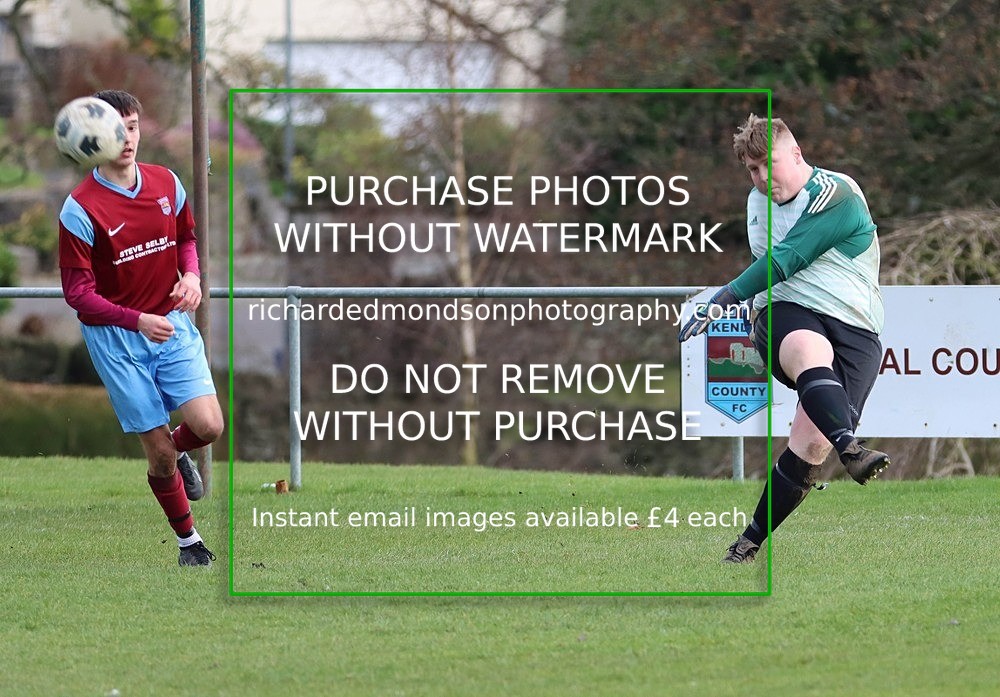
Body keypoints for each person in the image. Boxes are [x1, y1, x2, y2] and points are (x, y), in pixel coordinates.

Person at [678, 114, 890, 564]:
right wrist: (739, 299)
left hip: (856, 327)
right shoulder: (757, 202)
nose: (760, 178)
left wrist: (725, 295)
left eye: (768, 164)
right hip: (785, 313)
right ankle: (851, 448)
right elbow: (778, 270)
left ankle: (747, 544)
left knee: (810, 445)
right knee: (806, 348)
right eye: (751, 170)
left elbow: (789, 257)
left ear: (796, 154)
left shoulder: (838, 195)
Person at [58, 90, 223, 567]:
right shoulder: (80, 209)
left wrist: (191, 276)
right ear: (92, 137)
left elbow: (186, 238)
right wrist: (135, 320)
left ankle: (178, 452)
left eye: (131, 126)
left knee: (209, 426)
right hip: (118, 341)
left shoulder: (167, 183)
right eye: (115, 128)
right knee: (160, 456)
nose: (126, 138)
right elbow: (78, 295)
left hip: (170, 326)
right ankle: (190, 544)